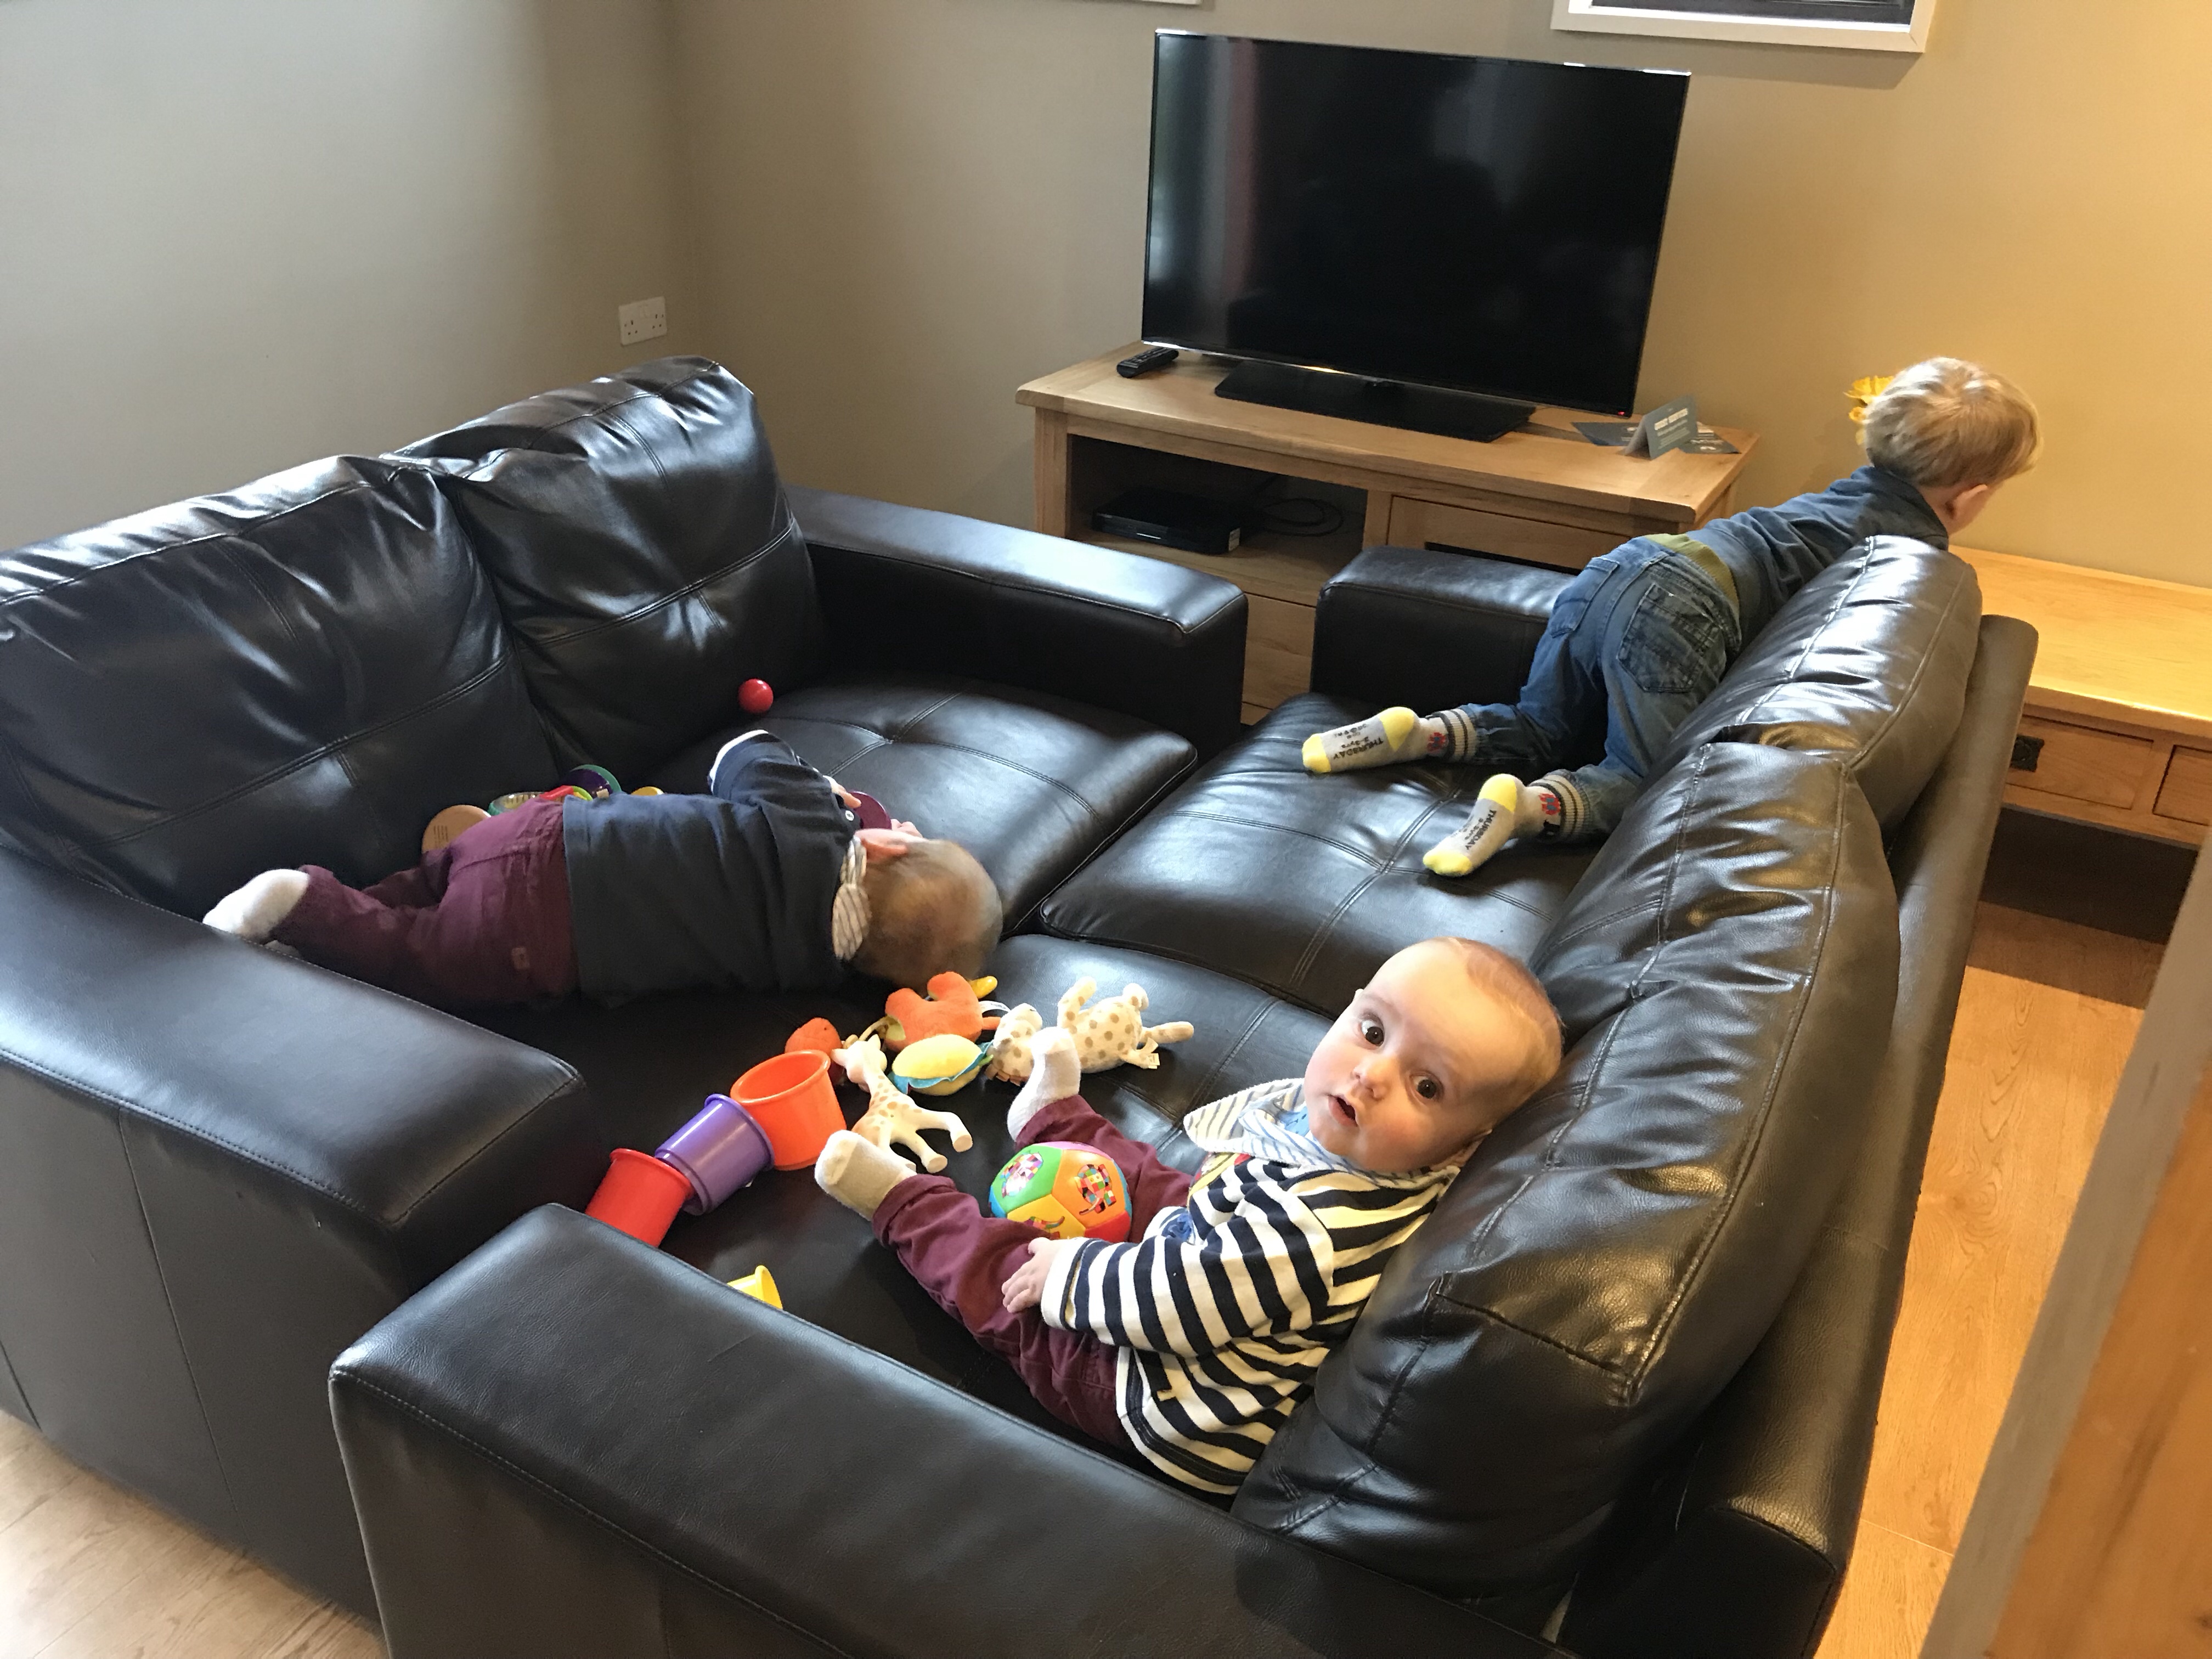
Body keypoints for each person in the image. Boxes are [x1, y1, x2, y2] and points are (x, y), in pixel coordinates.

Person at [813, 936, 1563, 1495]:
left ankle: (904, 1204)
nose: (1371, 1076)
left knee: (1007, 1285)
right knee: (1148, 1178)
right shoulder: (1379, 1159)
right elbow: (1222, 1217)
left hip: (1159, 1391)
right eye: (1372, 1030)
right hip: (1215, 1258)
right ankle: (1052, 1118)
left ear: (1467, 1147)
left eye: (1426, 1086)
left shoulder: (1311, 1235)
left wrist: (1069, 1274)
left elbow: (1173, 1305)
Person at [1300, 357, 2042, 877]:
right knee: (1643, 781)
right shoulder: (1911, 552)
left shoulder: (1847, 492)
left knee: (1541, 724)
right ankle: (1529, 810)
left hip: (1627, 565)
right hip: (1685, 609)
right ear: (1973, 497)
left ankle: (1419, 731)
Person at [199, 732, 1002, 1006]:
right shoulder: (810, 971)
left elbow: (740, 757)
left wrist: (846, 808)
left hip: (550, 831)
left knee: (422, 895)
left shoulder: (811, 822)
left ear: (889, 846)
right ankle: (308, 915)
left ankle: (303, 905)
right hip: (539, 938)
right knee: (418, 953)